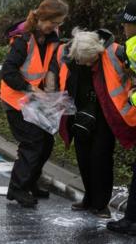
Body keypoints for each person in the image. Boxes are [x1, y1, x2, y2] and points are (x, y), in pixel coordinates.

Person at [55, 28, 136, 218]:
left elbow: (131, 73)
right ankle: (89, 199)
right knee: (83, 158)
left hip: (106, 115)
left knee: (101, 159)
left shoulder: (116, 52)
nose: (86, 64)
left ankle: (101, 205)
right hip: (80, 114)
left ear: (97, 53)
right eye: (82, 61)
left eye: (89, 61)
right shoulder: (72, 56)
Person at [0, 0, 68, 207]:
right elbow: (8, 72)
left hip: (34, 100)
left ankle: (30, 182)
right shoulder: (23, 39)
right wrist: (32, 89)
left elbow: (51, 63)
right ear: (43, 18)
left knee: (46, 142)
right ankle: (16, 189)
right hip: (15, 100)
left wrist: (49, 80)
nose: (55, 27)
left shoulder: (52, 36)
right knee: (33, 143)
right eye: (53, 22)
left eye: (59, 24)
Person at [107, 0, 136, 234]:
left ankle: (131, 221)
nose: (123, 29)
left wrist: (133, 97)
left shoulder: (134, 46)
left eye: (125, 24)